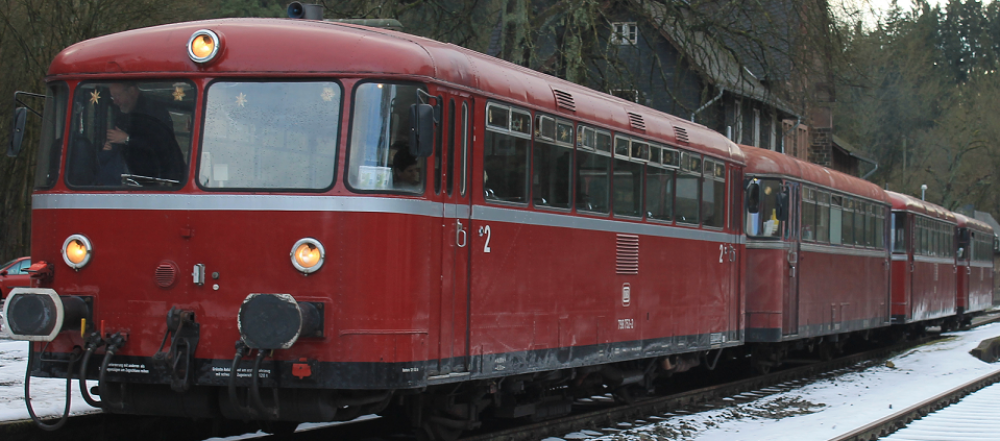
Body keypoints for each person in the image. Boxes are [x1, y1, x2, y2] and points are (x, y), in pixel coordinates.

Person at [104, 82, 186, 182]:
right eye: (112, 98)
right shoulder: (122, 114)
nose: (115, 102)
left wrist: (127, 139)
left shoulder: (153, 112)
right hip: (132, 178)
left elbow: (160, 144)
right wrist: (110, 147)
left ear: (132, 91)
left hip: (158, 179)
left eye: (117, 96)